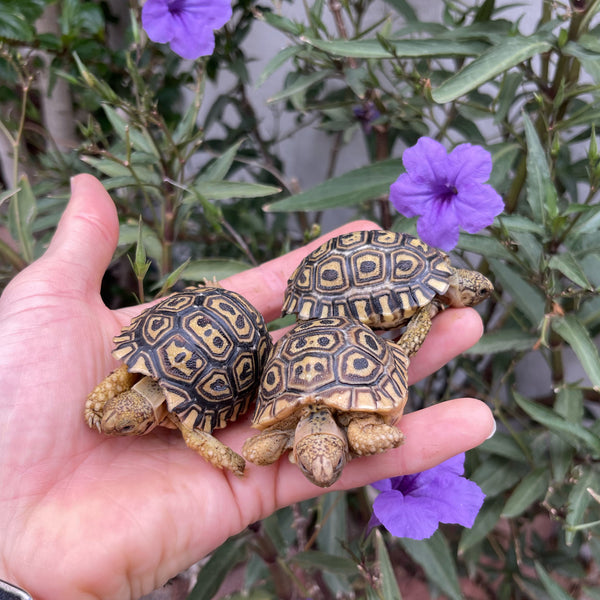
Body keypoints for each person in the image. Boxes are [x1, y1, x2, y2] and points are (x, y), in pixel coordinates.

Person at [0, 174, 495, 600]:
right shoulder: (144, 389)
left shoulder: (276, 429)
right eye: (125, 422)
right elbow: (232, 443)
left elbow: (258, 445)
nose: (118, 425)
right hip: (279, 359)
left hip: (280, 364)